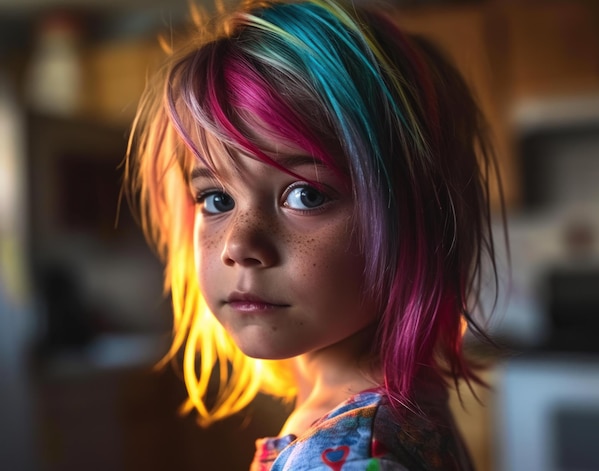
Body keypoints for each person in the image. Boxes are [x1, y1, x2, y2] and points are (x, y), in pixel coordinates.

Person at [125, 0, 504, 469]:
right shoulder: (402, 409)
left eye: (304, 195)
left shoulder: (342, 455)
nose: (238, 245)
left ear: (416, 217)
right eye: (217, 200)